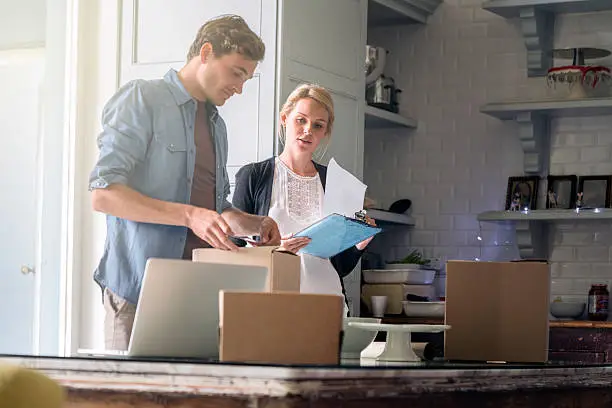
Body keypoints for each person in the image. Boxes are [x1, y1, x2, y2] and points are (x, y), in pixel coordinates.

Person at [89, 15, 281, 350]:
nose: (240, 87)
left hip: (198, 292)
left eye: (247, 79)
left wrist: (256, 224)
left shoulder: (216, 126)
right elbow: (104, 196)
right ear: (206, 53)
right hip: (136, 292)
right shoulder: (142, 99)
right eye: (237, 72)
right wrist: (189, 215)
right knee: (132, 401)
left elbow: (217, 209)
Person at [232, 83, 375, 316]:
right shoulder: (254, 176)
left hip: (327, 306)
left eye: (318, 125)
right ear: (284, 118)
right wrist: (276, 252)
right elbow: (233, 252)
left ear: (325, 133)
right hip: (269, 307)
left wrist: (359, 244)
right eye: (301, 120)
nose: (308, 130)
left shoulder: (335, 182)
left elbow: (339, 266)